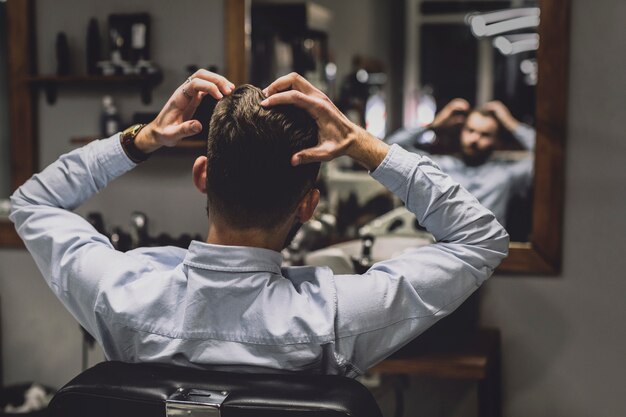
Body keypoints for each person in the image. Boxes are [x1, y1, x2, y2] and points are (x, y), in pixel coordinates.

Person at [10, 70, 508, 377]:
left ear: (202, 176)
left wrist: (140, 139)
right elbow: (481, 239)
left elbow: (32, 202)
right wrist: (362, 143)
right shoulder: (338, 318)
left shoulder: (119, 294)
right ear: (308, 204)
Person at [386, 98, 535, 227]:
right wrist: (434, 124)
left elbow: (547, 158)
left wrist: (511, 124)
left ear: (495, 140)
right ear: (461, 131)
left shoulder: (507, 174)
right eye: (470, 130)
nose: (475, 139)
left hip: (488, 251)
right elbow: (392, 148)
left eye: (485, 134)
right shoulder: (441, 167)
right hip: (444, 249)